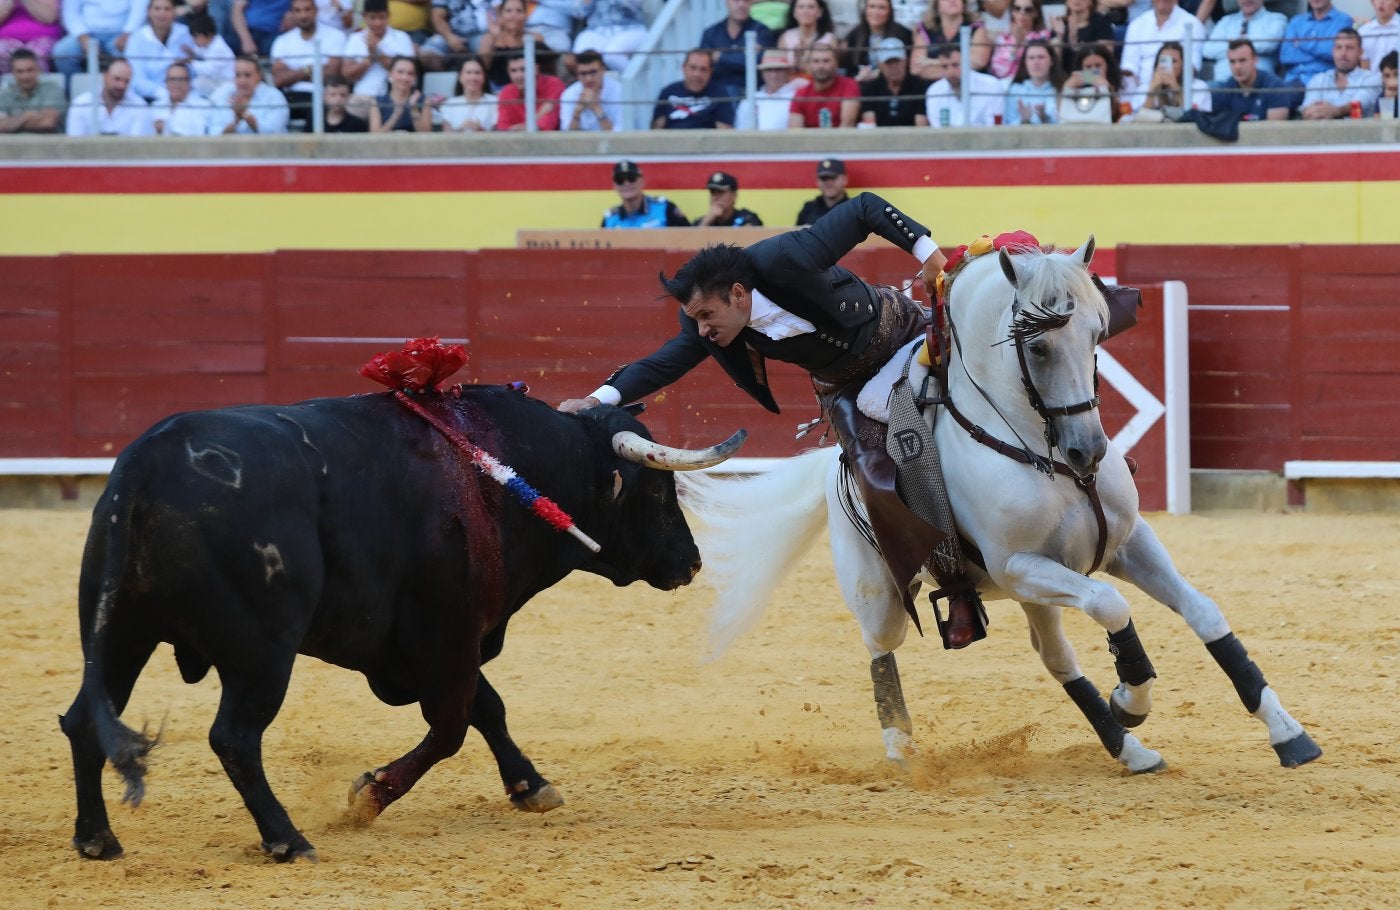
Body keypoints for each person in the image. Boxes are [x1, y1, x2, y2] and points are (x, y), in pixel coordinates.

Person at [556, 193, 976, 652]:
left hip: (904, 333)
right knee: (877, 477)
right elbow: (662, 364)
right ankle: (956, 587)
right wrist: (595, 399)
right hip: (846, 387)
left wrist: (929, 255)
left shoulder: (786, 258)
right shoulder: (705, 320)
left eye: (707, 315)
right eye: (696, 319)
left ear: (738, 294)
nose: (702, 329)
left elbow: (865, 208)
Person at [271, 0, 346, 123]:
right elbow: (279, 79)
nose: (303, 15)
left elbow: (331, 75)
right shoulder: (282, 41)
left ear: (316, 11)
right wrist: (309, 69)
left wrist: (293, 74)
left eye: (307, 9)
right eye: (298, 11)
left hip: (323, 95)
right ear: (292, 13)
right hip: (290, 96)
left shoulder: (336, 36)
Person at [342, 0, 417, 102]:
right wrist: (368, 61)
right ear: (364, 16)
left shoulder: (402, 37)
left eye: (382, 17)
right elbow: (347, 75)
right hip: (363, 97)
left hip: (395, 98)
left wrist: (377, 51)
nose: (377, 23)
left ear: (388, 15)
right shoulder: (355, 38)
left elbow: (407, 71)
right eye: (372, 18)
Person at [1120, 0, 1207, 86]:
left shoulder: (1193, 24)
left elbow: (1192, 66)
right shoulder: (1136, 25)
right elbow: (1129, 65)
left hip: (1179, 87)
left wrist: (1170, 85)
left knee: (1200, 86)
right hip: (1141, 88)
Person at [1301, 26, 1381, 115]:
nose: (1343, 53)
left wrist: (1336, 111)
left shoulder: (1372, 79)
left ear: (1360, 52)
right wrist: (1313, 113)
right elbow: (1307, 110)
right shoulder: (1318, 79)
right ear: (1333, 51)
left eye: (1349, 48)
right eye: (1339, 47)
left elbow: (1360, 104)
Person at [54, 0, 149, 75]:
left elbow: (139, 9)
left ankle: (130, 92)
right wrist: (83, 38)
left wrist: (128, 33)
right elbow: (70, 12)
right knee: (62, 52)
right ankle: (73, 91)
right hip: (85, 33)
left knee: (134, 51)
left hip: (121, 34)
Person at [126, 0, 195, 101]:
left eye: (167, 9)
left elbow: (194, 70)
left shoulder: (185, 33)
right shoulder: (137, 39)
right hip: (150, 99)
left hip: (187, 97)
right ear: (148, 12)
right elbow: (137, 80)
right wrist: (164, 94)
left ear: (174, 12)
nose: (162, 13)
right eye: (157, 9)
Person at [66, 56, 154, 134]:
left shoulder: (140, 106)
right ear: (105, 76)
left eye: (126, 81)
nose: (121, 85)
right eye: (117, 79)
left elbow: (137, 145)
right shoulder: (80, 104)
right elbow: (75, 143)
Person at [652, 48, 737, 129]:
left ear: (710, 72)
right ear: (684, 68)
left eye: (703, 69)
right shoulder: (668, 92)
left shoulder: (720, 93)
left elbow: (725, 132)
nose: (697, 74)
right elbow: (656, 130)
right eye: (693, 68)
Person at [1210, 37, 1293, 118]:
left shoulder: (1275, 87)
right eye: (1232, 62)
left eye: (1242, 60)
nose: (1237, 67)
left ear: (1255, 60)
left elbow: (1275, 127)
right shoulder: (1225, 90)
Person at [701, 0, 778, 87]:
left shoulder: (761, 31)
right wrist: (746, 57)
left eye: (746, 1)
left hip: (752, 91)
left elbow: (759, 62)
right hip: (718, 91)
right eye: (736, 1)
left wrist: (721, 57)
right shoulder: (711, 33)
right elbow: (703, 64)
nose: (741, 5)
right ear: (727, 2)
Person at [925, 42, 1004, 124]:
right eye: (944, 66)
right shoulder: (934, 91)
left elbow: (995, 126)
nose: (950, 72)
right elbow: (937, 128)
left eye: (955, 65)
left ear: (967, 62)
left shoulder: (991, 85)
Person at [1280, 0, 1354, 86]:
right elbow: (1285, 56)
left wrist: (1300, 43)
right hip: (1292, 80)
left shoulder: (1343, 20)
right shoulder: (1296, 21)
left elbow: (1331, 52)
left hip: (1322, 82)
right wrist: (1318, 51)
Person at [211, 53, 291, 132]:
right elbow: (214, 133)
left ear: (259, 75)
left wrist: (246, 116)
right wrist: (236, 122)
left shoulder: (274, 97)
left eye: (247, 75)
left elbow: (275, 132)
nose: (242, 81)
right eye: (238, 75)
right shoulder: (224, 95)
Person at [859, 35, 930, 124]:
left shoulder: (920, 86)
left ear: (906, 61)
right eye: (888, 62)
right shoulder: (871, 89)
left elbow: (921, 125)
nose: (893, 67)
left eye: (897, 61)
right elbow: (870, 123)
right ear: (880, 65)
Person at [911, 0, 991, 80]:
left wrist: (932, 62)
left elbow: (978, 62)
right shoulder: (925, 30)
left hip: (969, 83)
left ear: (963, 3)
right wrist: (958, 64)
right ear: (936, 6)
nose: (952, 1)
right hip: (932, 86)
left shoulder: (976, 28)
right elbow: (916, 68)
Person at [1130, 38, 1212, 114]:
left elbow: (1194, 117)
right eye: (1163, 60)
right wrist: (1152, 91)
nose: (1168, 66)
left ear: (1183, 65)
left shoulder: (1198, 86)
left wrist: (1175, 88)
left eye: (1173, 61)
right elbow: (1139, 119)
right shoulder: (1145, 88)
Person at [601, 159, 690, 228]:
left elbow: (690, 238)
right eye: (620, 180)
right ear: (614, 186)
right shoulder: (609, 219)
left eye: (631, 178)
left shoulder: (665, 208)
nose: (626, 183)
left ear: (642, 181)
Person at [788, 43, 860, 125]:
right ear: (808, 65)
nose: (821, 66)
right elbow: (796, 130)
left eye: (826, 61)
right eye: (816, 61)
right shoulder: (801, 94)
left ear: (837, 63)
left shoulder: (849, 86)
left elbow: (847, 125)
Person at [479, 0, 543, 92]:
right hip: (497, 90)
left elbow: (544, 71)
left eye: (519, 11)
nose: (514, 15)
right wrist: (498, 36)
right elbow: (481, 67)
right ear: (501, 15)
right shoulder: (490, 38)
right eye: (508, 11)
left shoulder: (535, 38)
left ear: (526, 15)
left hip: (530, 90)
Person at [735, 46, 807, 128]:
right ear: (762, 73)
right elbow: (741, 131)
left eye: (779, 69)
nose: (774, 75)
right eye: (769, 70)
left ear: (787, 72)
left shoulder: (796, 96)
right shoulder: (750, 100)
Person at [843, 0, 914, 80]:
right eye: (872, 7)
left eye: (882, 8)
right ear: (865, 10)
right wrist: (859, 77)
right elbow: (850, 70)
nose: (876, 12)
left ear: (890, 12)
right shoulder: (854, 35)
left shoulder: (904, 34)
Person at [494, 50, 565, 129]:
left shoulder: (553, 84)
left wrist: (518, 128)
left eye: (523, 69)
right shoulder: (506, 92)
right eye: (513, 71)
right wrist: (539, 116)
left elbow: (548, 123)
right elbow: (503, 127)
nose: (519, 76)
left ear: (536, 69)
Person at [572, 0, 646, 74]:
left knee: (612, 55)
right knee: (579, 55)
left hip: (630, 28)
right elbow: (579, 13)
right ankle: (593, 80)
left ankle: (636, 78)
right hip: (597, 30)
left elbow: (633, 5)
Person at [0, 47, 64, 131]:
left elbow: (48, 122)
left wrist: (12, 122)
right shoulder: (5, 94)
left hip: (46, 140)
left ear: (38, 70)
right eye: (20, 71)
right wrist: (26, 117)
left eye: (30, 70)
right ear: (13, 73)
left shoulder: (52, 89)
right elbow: (1, 125)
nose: (25, 76)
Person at [1059, 40, 1124, 121]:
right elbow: (1062, 115)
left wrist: (1107, 89)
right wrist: (1067, 89)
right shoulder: (1074, 86)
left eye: (1098, 66)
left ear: (1107, 65)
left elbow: (1116, 117)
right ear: (1081, 68)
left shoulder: (1121, 82)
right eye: (1088, 67)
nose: (1094, 71)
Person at [559, 49, 622, 131]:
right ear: (577, 74)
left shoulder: (620, 91)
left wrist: (597, 109)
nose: (588, 78)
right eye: (583, 73)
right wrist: (576, 113)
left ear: (603, 70)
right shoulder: (569, 94)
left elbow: (619, 135)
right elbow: (566, 136)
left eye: (593, 72)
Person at [419, 0, 490, 71]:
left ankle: (477, 76)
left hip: (481, 34)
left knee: (487, 45)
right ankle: (447, 77)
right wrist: (450, 37)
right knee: (426, 55)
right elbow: (437, 16)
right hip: (450, 33)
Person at [1004, 37, 1062, 122]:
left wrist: (1045, 119)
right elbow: (1008, 123)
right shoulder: (1015, 90)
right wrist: (1024, 121)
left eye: (1041, 57)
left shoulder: (1061, 89)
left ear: (1051, 61)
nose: (1036, 62)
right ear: (1025, 62)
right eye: (1031, 58)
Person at [368, 53, 432, 129]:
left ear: (415, 78)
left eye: (410, 73)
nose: (405, 77)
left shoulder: (423, 101)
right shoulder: (377, 102)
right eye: (400, 72)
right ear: (390, 74)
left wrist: (414, 110)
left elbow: (426, 134)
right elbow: (375, 135)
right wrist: (396, 114)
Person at [989, 0, 1051, 79]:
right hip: (1006, 83)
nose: (1022, 13)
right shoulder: (1004, 38)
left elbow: (1044, 68)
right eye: (1017, 8)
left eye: (1028, 9)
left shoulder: (1043, 36)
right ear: (1012, 11)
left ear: (1036, 13)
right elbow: (999, 71)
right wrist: (1016, 46)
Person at [151, 61, 216, 134]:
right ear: (166, 83)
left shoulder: (204, 106)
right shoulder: (155, 107)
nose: (176, 84)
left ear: (189, 82)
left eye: (181, 80)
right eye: (172, 79)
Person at [0, 0, 63, 74]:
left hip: (43, 37)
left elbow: (49, 18)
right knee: (2, 54)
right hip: (6, 38)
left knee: (35, 58)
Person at [778, 0, 840, 74]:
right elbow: (779, 69)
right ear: (794, 12)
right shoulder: (786, 37)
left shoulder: (829, 39)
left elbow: (832, 69)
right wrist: (796, 61)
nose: (805, 11)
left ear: (820, 12)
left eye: (811, 7)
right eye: (801, 7)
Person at [438, 53, 496, 130]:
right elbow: (446, 135)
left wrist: (481, 130)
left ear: (484, 77)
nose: (473, 77)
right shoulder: (449, 104)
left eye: (477, 73)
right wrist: (460, 130)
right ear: (460, 77)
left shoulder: (495, 102)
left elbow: (500, 133)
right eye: (468, 72)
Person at [185, 13, 235, 100]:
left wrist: (191, 62)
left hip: (227, 82)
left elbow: (209, 69)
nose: (194, 40)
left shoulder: (219, 48)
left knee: (198, 83)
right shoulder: (209, 43)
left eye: (196, 37)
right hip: (218, 79)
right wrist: (192, 51)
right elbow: (202, 51)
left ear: (209, 35)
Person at [1048, 0, 1115, 65]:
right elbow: (1053, 61)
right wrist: (1059, 36)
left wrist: (1074, 43)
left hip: (1090, 70)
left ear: (1091, 2)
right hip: (1065, 70)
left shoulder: (1101, 22)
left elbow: (1106, 55)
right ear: (1067, 2)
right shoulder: (1060, 23)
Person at [693, 171, 765, 227]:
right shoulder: (701, 222)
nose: (716, 197)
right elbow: (693, 239)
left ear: (734, 195)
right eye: (713, 192)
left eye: (721, 192)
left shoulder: (747, 218)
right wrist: (707, 221)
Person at [795, 156, 850, 225]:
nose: (828, 183)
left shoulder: (853, 209)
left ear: (844, 179)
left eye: (833, 177)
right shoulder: (808, 209)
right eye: (823, 178)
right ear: (817, 181)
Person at [1359, 0, 1399, 70]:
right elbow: (1364, 68)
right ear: (1372, 2)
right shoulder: (1363, 32)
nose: (1381, 2)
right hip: (1372, 76)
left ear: (1397, 2)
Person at [1377, 48, 1398, 115]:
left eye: (1396, 75)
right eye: (1387, 76)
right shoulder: (1382, 96)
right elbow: (1378, 119)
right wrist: (1388, 100)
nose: (1392, 80)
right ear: (1382, 78)